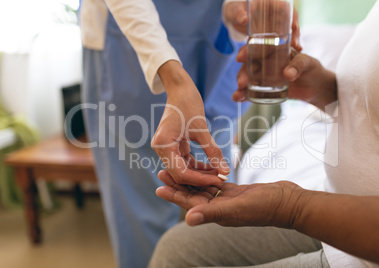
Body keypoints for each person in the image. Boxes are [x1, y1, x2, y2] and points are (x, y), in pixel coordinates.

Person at [149, 0, 379, 267]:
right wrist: (324, 90)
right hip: (342, 210)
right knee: (177, 250)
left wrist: (292, 207)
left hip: (378, 248)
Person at [79, 0, 255, 267]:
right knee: (141, 221)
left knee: (214, 203)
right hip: (129, 37)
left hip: (219, 37)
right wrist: (173, 78)